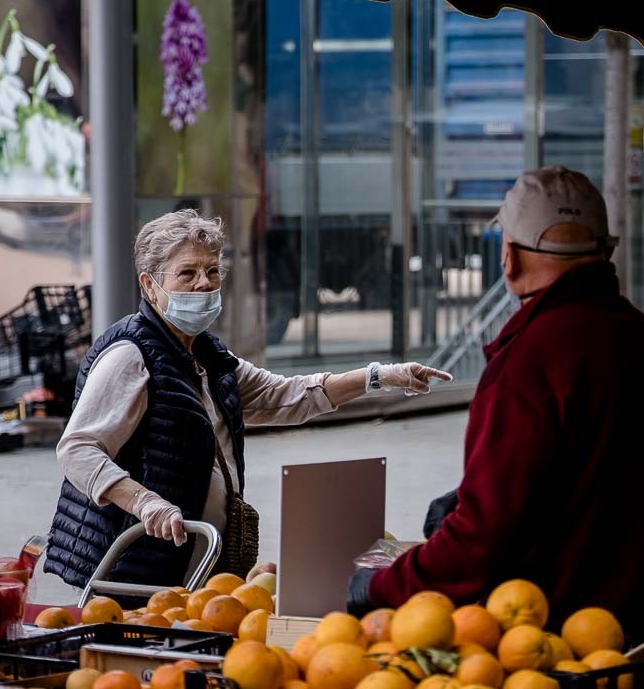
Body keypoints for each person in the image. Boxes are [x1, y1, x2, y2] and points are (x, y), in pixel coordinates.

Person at [348, 166, 644, 642]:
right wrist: (470, 497)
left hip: (558, 645)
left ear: (509, 258)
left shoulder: (528, 361)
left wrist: (380, 586)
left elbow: (484, 543)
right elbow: (590, 476)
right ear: (603, 251)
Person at [44, 210, 451, 591]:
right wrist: (145, 502)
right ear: (150, 285)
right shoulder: (130, 354)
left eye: (212, 271)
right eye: (187, 273)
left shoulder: (206, 355)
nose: (204, 283)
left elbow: (287, 396)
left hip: (191, 565)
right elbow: (78, 449)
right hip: (135, 568)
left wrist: (377, 376)